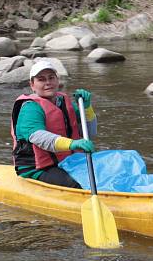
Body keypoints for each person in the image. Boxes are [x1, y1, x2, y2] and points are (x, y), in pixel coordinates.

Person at [10, 60, 96, 188]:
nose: (48, 82)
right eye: (41, 79)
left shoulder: (65, 103)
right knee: (80, 183)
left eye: (51, 78)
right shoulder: (30, 108)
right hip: (37, 168)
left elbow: (89, 133)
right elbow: (39, 138)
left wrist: (87, 108)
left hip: (68, 161)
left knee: (107, 170)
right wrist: (72, 144)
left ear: (57, 80)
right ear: (32, 85)